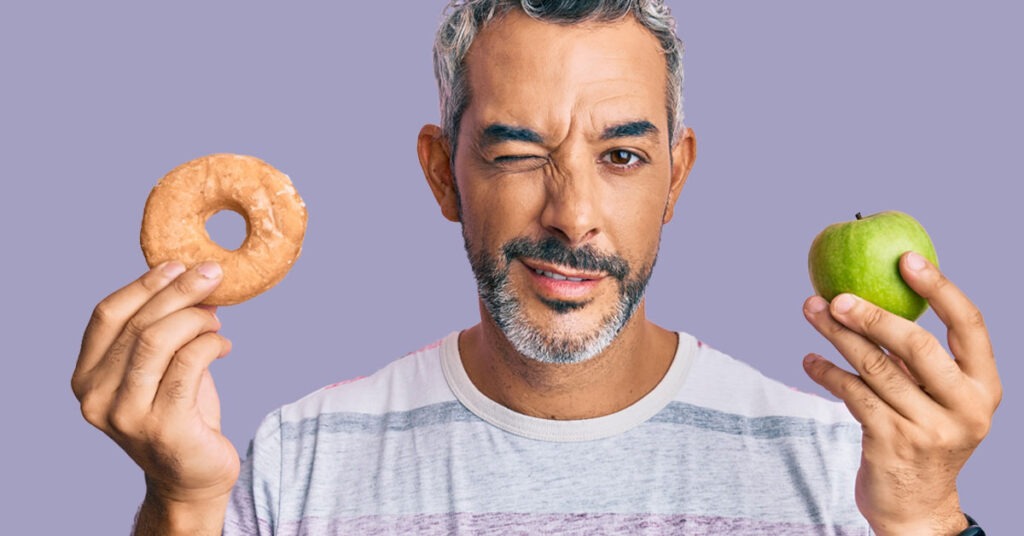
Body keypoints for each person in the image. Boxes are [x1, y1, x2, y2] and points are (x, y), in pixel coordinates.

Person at [71, 1, 1001, 534]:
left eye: (622, 156)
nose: (573, 214)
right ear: (443, 174)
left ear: (676, 177)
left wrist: (927, 517)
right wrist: (180, 505)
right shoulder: (298, 459)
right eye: (518, 153)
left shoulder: (844, 465)